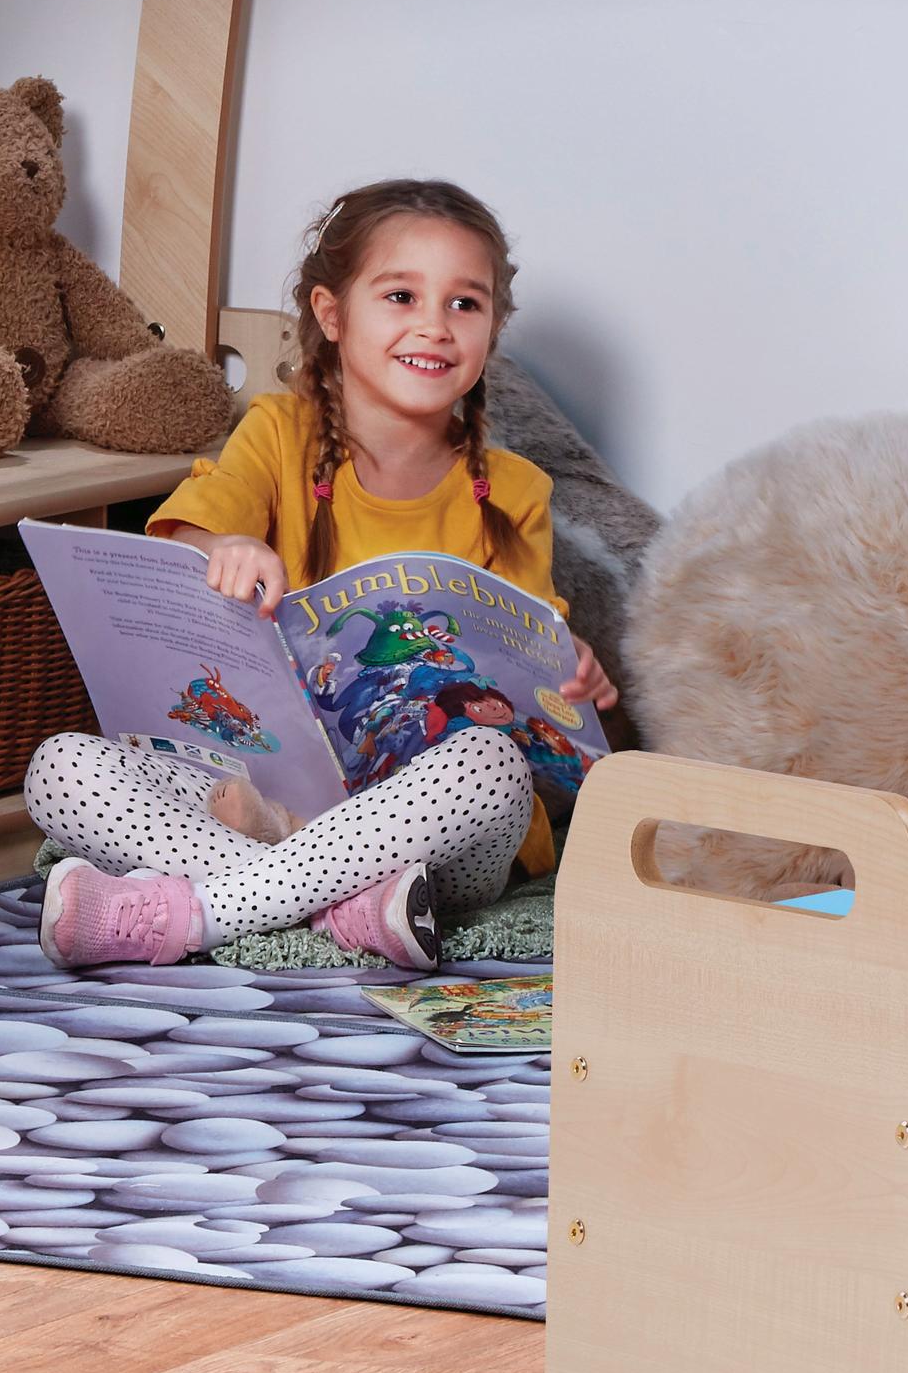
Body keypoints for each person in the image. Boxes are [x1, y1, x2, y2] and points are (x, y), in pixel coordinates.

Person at [30, 178, 617, 968]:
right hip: (272, 801)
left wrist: (571, 674)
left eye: (464, 305)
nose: (434, 328)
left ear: (493, 329)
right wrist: (224, 549)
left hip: (434, 830)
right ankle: (342, 910)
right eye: (402, 295)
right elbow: (191, 534)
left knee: (491, 767)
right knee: (62, 769)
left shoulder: (512, 494)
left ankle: (196, 913)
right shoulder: (278, 435)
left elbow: (525, 656)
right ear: (332, 315)